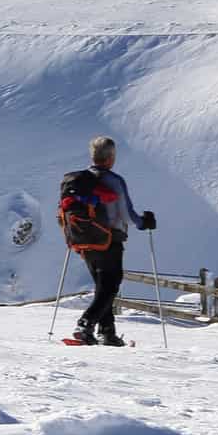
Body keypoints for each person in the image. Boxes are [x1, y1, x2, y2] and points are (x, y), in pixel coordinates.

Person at [59, 135, 156, 346]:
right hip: (109, 239)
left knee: (103, 286)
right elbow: (127, 215)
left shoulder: (80, 181)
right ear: (111, 157)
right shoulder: (113, 181)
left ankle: (107, 332)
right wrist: (144, 222)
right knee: (111, 286)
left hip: (84, 240)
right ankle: (85, 324)